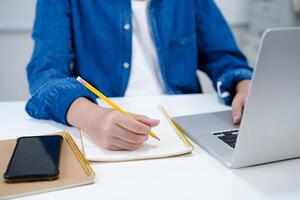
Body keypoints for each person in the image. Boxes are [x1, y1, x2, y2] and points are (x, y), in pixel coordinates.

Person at [26, 0, 253, 151]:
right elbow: (46, 74)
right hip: (101, 123)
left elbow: (225, 57)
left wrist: (245, 85)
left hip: (187, 127)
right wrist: (93, 119)